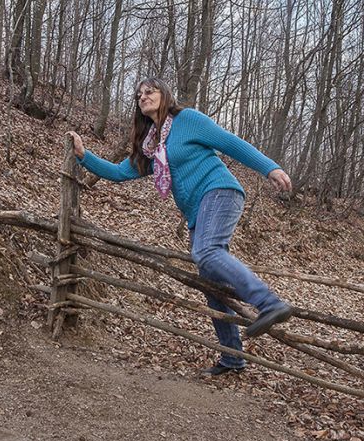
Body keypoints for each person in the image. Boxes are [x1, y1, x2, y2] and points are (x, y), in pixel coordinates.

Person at [66, 77, 293, 376]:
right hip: (198, 211)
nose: (143, 96)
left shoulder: (187, 120)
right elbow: (120, 172)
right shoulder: (152, 145)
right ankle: (232, 358)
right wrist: (84, 156)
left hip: (220, 191)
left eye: (150, 91)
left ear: (165, 95)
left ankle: (270, 303)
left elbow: (230, 143)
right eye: (139, 94)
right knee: (212, 285)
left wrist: (270, 167)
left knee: (207, 252)